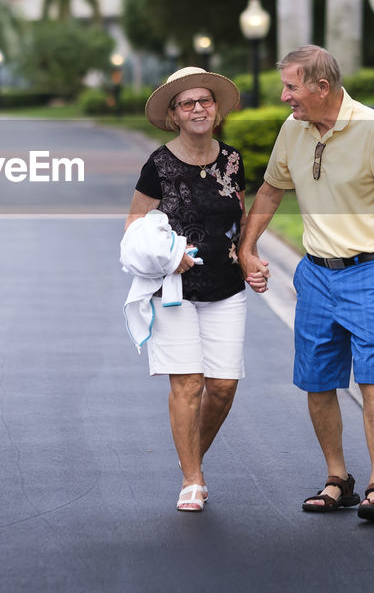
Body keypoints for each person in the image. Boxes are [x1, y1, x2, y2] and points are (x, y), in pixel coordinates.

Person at [238, 45, 374, 523]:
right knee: (318, 381)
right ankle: (338, 479)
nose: (284, 96)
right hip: (316, 274)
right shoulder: (294, 128)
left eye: (291, 86)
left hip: (370, 271)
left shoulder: (372, 129)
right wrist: (247, 246)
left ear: (321, 87)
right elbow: (271, 189)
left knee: (371, 374)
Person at [124, 66, 247, 512]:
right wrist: (166, 256)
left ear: (216, 109)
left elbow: (239, 219)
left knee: (224, 385)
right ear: (175, 114)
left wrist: (250, 257)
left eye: (205, 101)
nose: (198, 109)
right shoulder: (158, 164)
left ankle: (188, 455)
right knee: (190, 383)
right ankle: (193, 477)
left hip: (227, 288)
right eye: (187, 103)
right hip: (174, 289)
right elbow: (134, 224)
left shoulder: (232, 160)